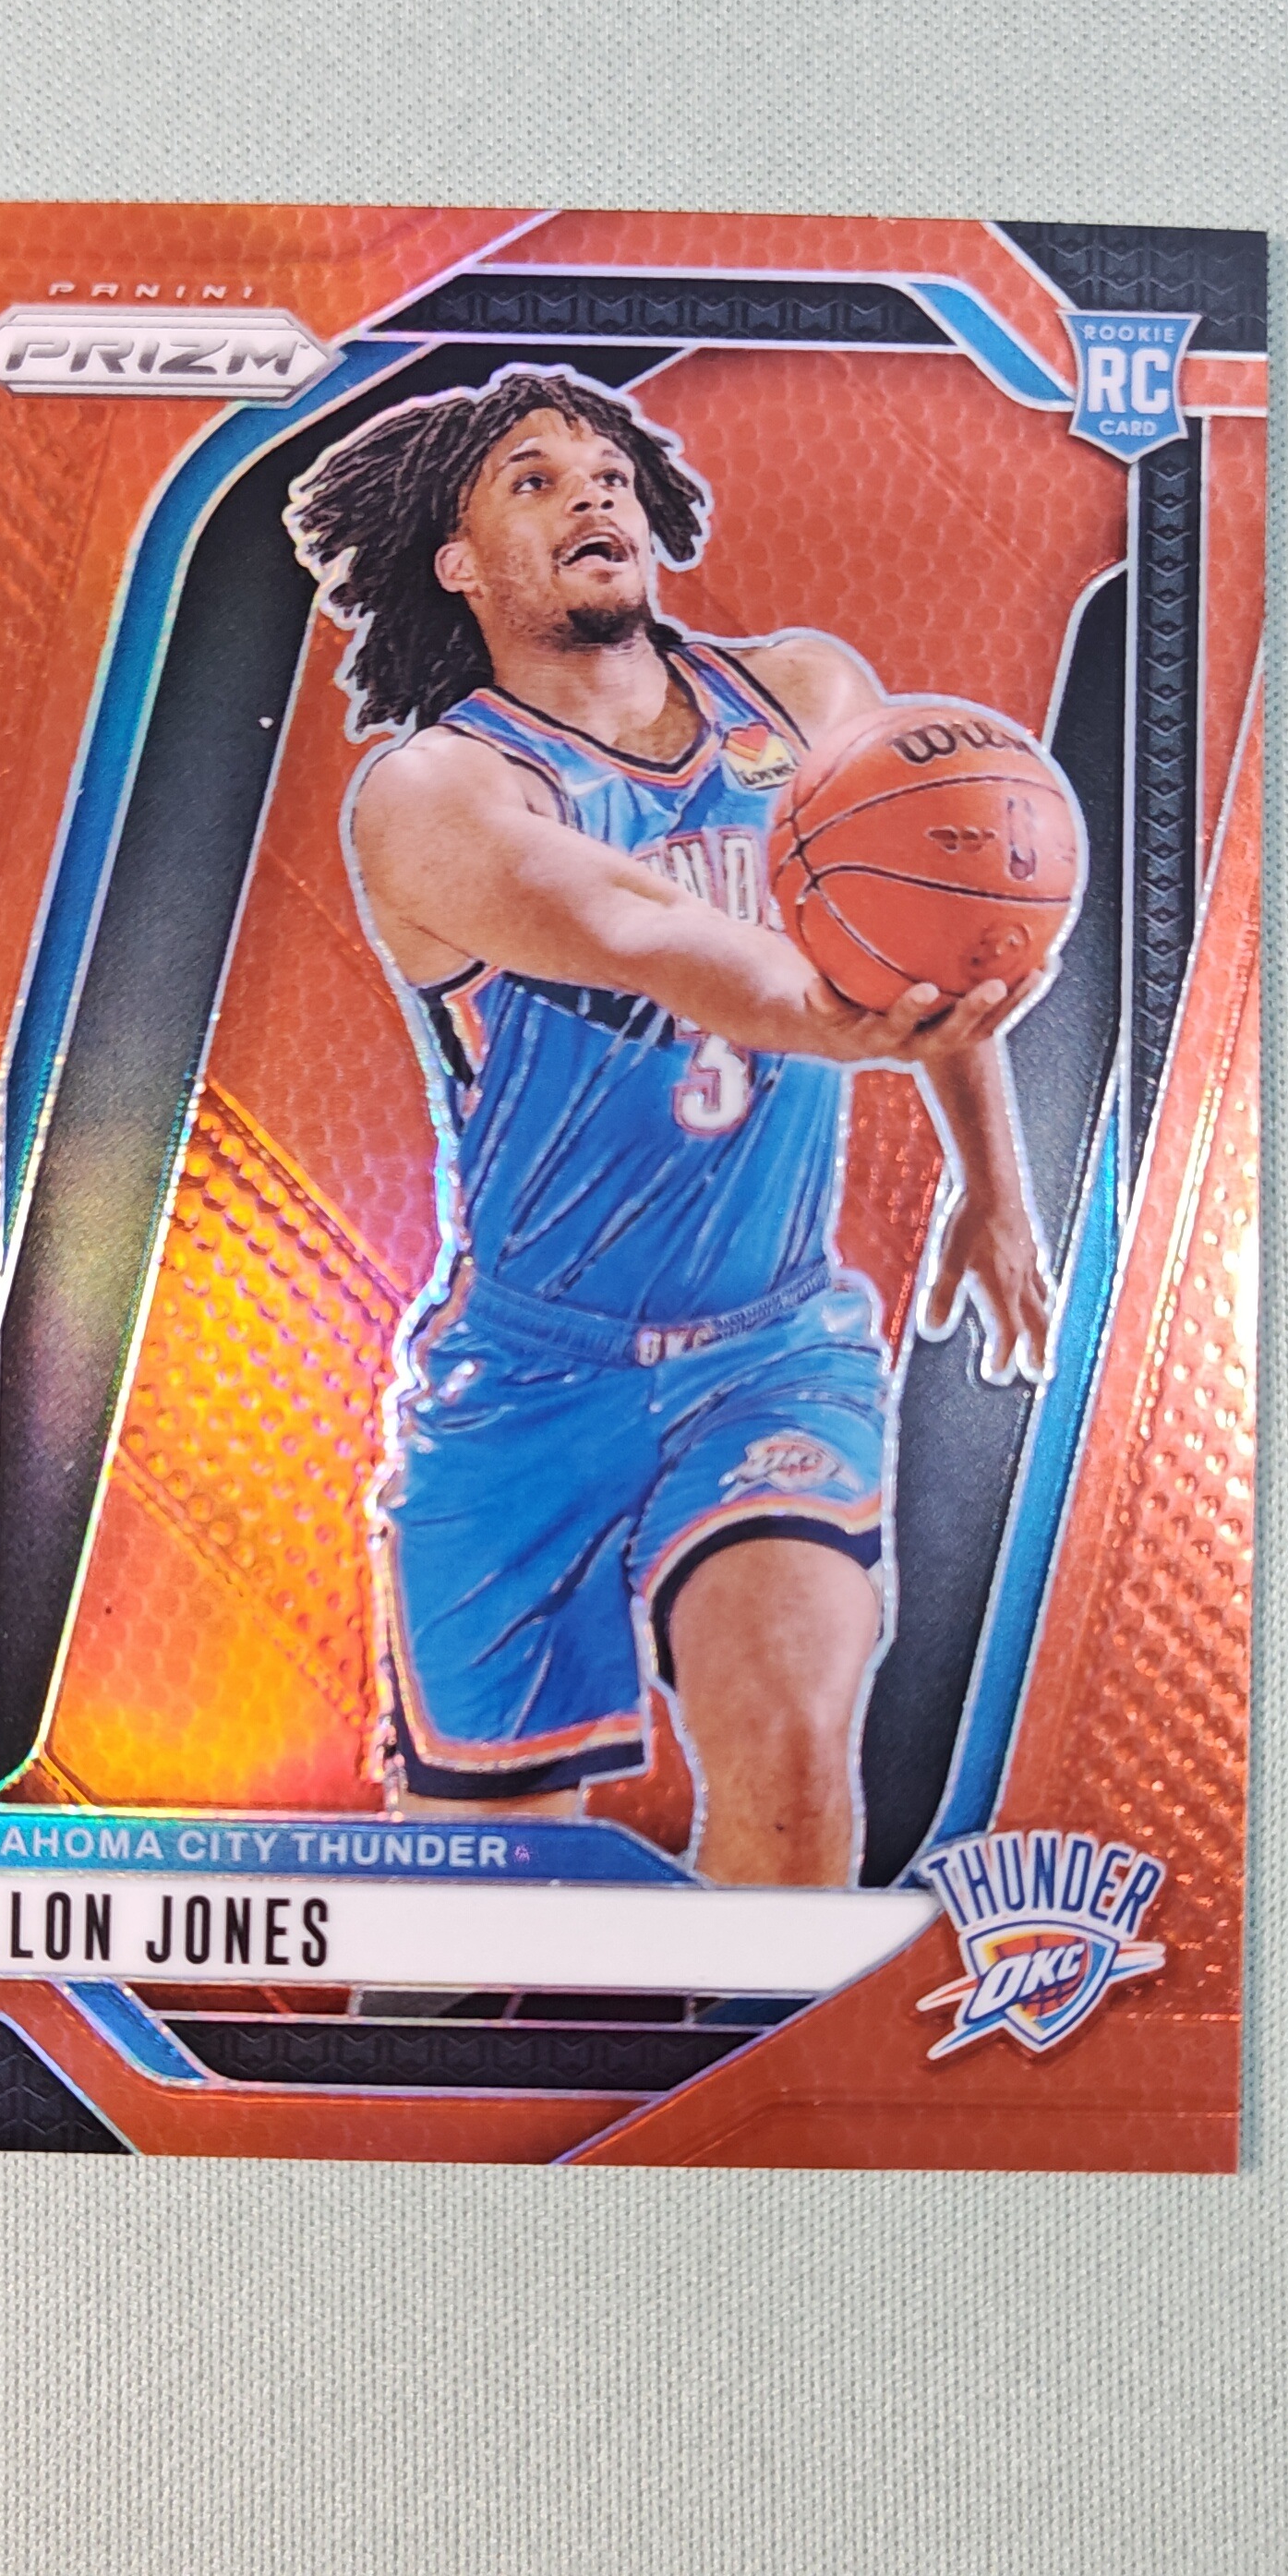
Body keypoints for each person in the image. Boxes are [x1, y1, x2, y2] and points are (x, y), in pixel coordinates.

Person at [283, 367, 1056, 1887]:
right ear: (460, 563)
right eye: (533, 478)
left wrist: (993, 1177)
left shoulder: (804, 698)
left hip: (772, 1348)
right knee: (473, 1920)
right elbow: (645, 935)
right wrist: (837, 1018)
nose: (593, 491)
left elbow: (932, 923)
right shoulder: (437, 795)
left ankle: (761, 2047)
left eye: (610, 473)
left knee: (792, 1743)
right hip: (527, 1378)